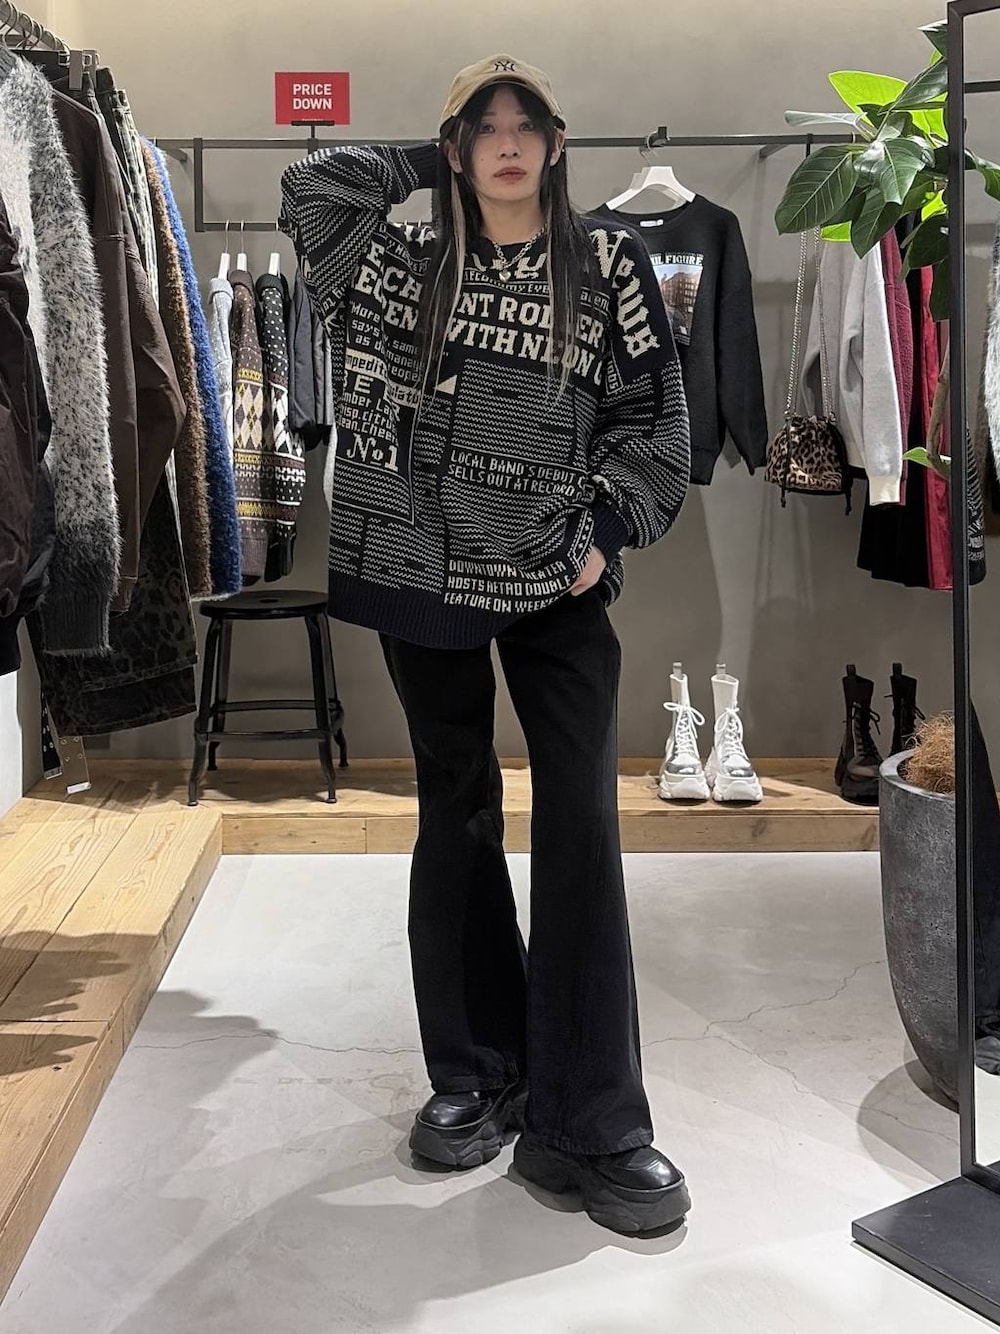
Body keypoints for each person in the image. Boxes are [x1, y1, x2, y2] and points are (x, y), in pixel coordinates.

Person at [279, 54, 691, 1235]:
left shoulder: (609, 261)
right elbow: (312, 189)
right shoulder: (394, 262)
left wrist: (603, 530)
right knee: (453, 810)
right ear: (459, 145)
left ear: (557, 143)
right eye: (484, 127)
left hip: (558, 579)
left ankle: (592, 1120)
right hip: (418, 568)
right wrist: (434, 154)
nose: (507, 144)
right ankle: (476, 1070)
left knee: (580, 824)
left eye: (527, 125)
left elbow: (650, 421)